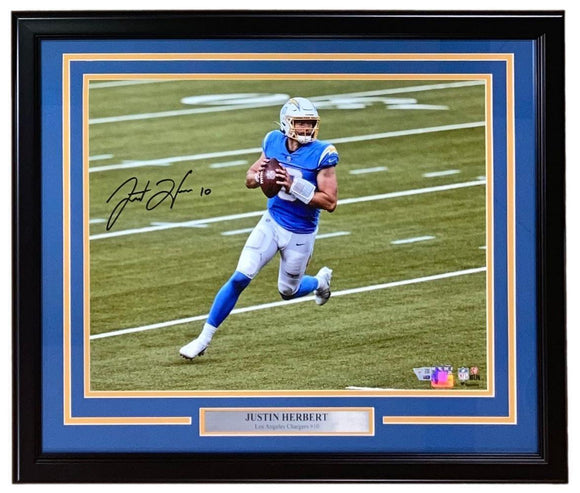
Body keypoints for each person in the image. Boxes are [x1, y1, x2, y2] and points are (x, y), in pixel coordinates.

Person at [179, 97, 339, 360]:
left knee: (287, 291)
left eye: (309, 123)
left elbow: (330, 202)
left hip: (300, 233)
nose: (306, 128)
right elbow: (250, 177)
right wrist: (259, 176)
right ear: (287, 123)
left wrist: (293, 185)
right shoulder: (273, 141)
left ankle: (320, 282)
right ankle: (203, 339)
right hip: (272, 223)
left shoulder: (322, 153)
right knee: (240, 277)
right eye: (300, 123)